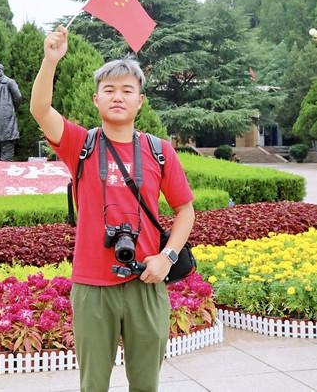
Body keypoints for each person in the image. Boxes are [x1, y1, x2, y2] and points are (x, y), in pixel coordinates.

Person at [30, 26, 195, 392]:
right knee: (93, 385)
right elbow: (40, 109)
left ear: (140, 102)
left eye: (127, 90)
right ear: (96, 100)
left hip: (147, 282)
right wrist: (50, 60)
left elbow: (185, 210)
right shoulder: (81, 146)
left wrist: (167, 257)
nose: (117, 97)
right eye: (109, 90)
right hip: (92, 286)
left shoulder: (159, 151)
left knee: (145, 384)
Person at [0, 62, 21, 161]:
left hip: (5, 115)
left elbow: (18, 97)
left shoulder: (9, 82)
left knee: (7, 139)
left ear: (2, 71)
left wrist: (10, 108)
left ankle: (6, 160)